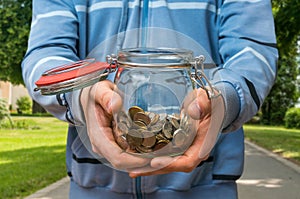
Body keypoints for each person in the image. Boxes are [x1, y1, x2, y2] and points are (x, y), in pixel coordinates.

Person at [22, 0, 278, 198]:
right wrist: (80, 95)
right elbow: (45, 56)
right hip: (93, 185)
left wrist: (224, 99)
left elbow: (253, 53)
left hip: (206, 185)